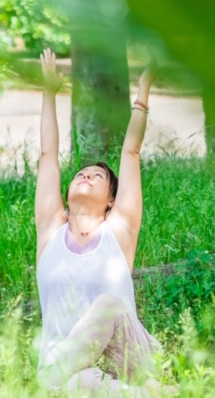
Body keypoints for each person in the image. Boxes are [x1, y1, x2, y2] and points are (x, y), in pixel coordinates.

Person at [34, 48, 170, 397]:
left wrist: (143, 88)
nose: (87, 176)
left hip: (128, 356)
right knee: (79, 385)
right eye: (81, 173)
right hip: (75, 372)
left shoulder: (119, 231)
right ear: (66, 192)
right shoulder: (51, 230)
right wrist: (49, 93)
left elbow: (131, 152)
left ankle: (51, 382)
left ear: (112, 200)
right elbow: (48, 156)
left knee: (109, 304)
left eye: (97, 176)